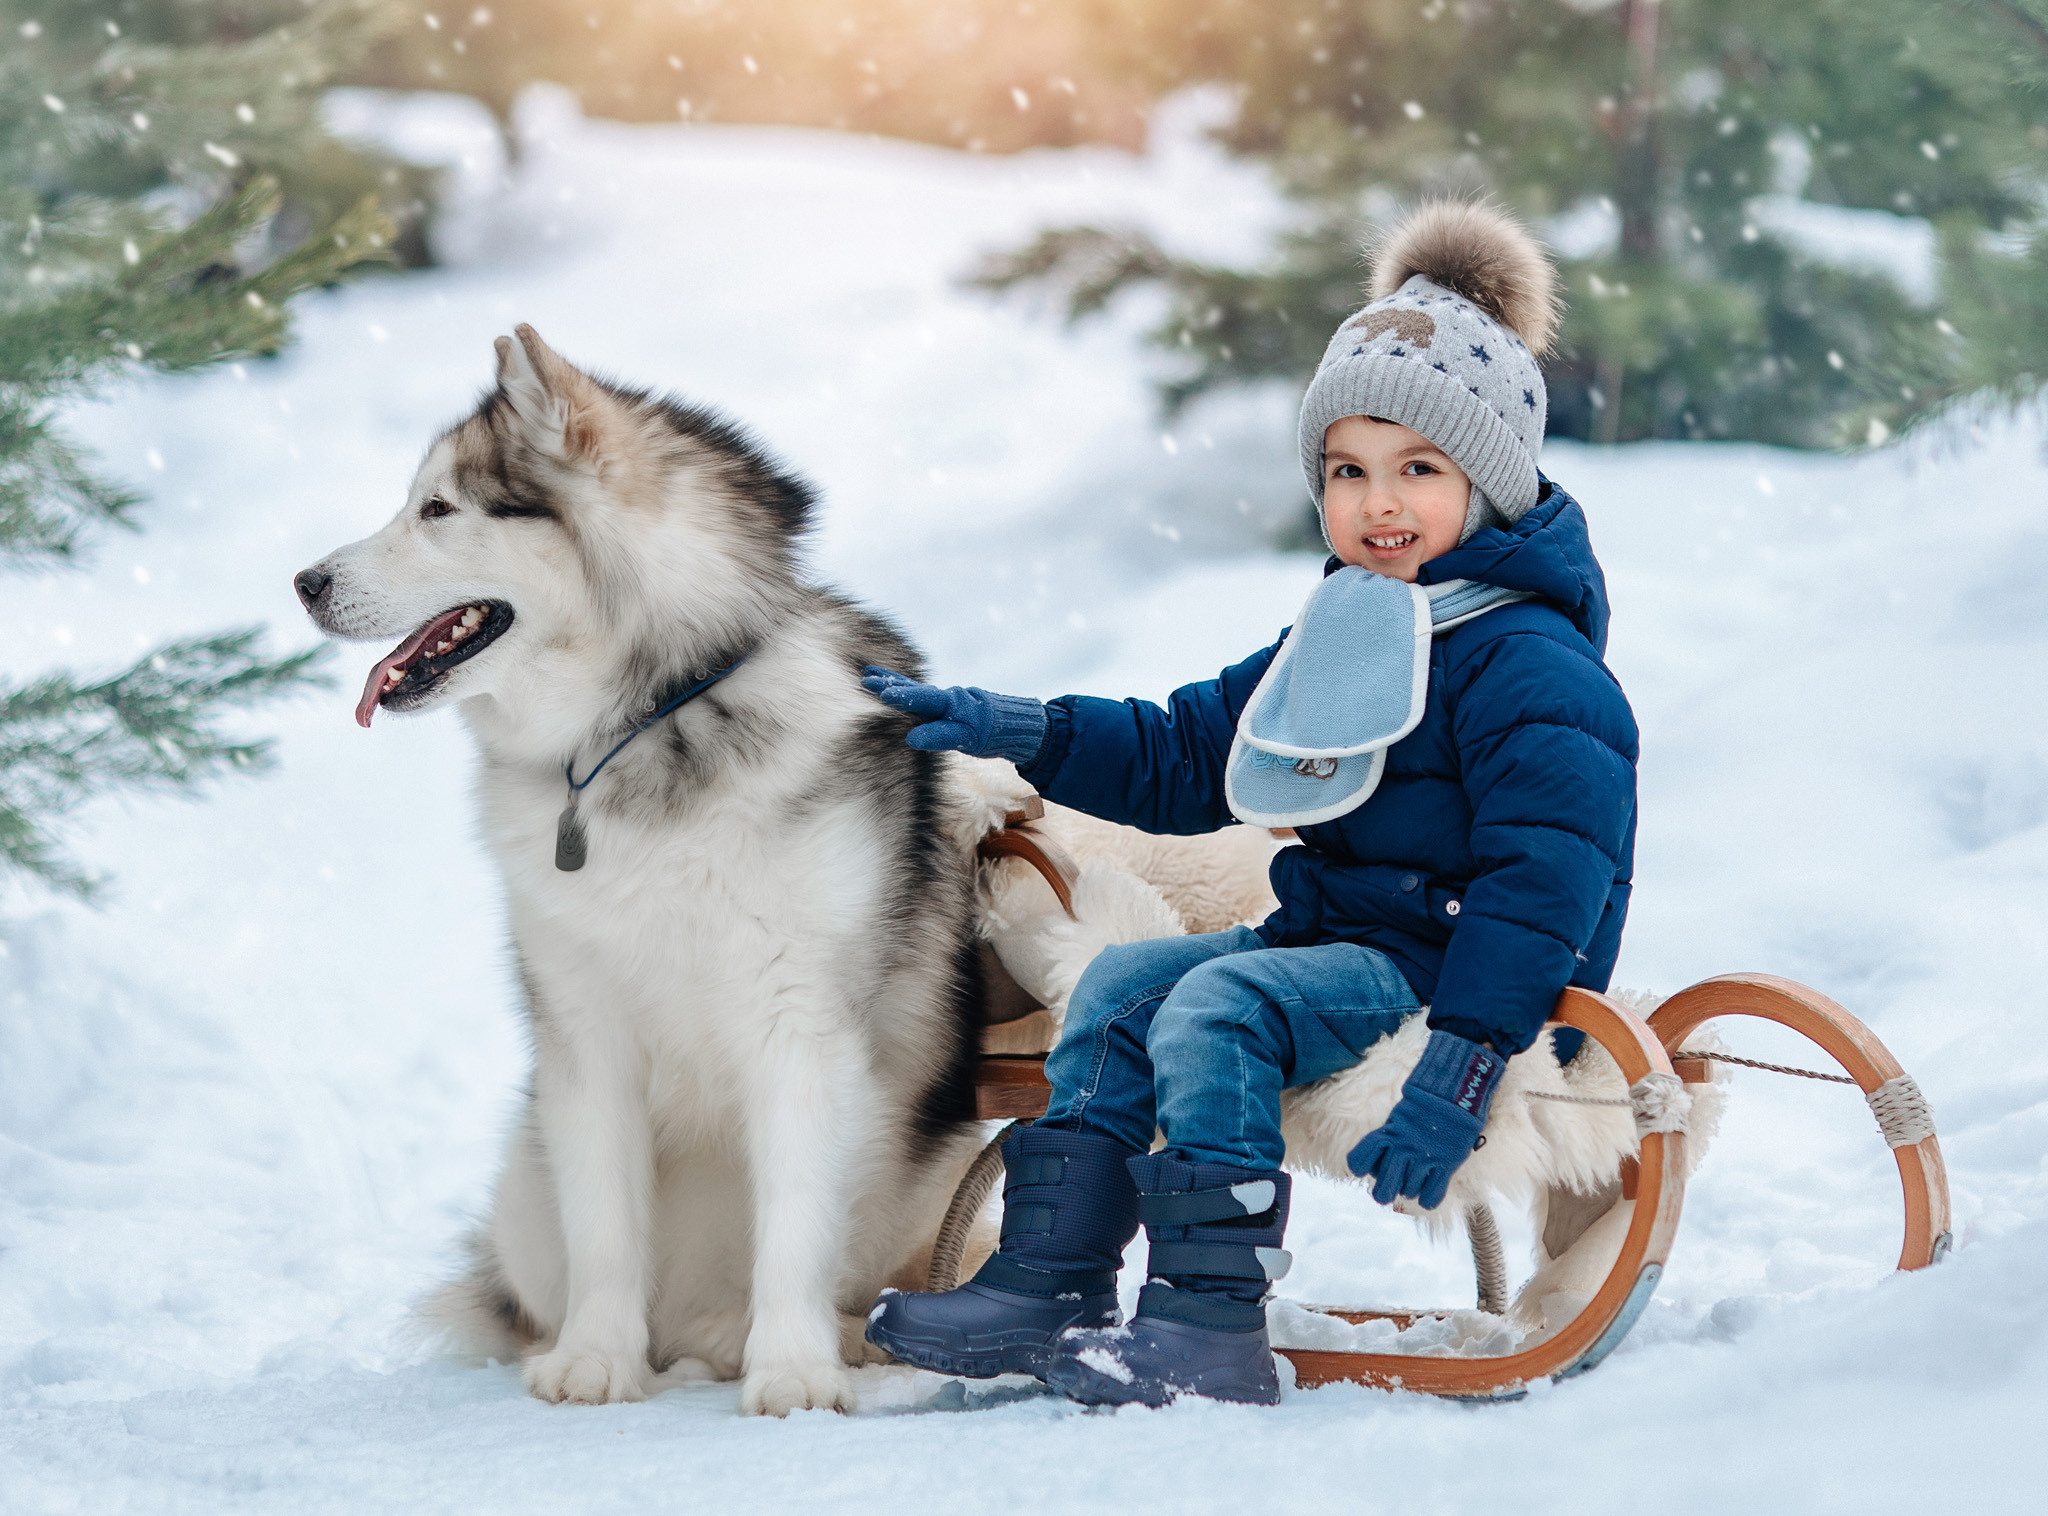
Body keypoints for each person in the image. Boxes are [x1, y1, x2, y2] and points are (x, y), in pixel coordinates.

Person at [863, 201, 1638, 1408]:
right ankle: (1047, 1281)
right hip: (1327, 937)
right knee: (1123, 988)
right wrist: (1017, 726)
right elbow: (1185, 751)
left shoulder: (1530, 665)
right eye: (1347, 470)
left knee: (1218, 1003)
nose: (1377, 502)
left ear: (1487, 482)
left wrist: (1465, 1065)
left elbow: (1551, 882)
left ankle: (1204, 1317)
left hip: (1436, 964)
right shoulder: (1348, 627)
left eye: (1417, 470)